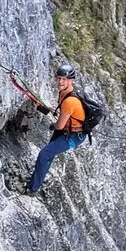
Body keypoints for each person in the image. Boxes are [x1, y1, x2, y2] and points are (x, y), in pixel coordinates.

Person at [25, 64, 87, 195]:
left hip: (74, 136)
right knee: (48, 154)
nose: (61, 82)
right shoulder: (65, 92)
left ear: (71, 81)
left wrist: (54, 126)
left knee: (45, 154)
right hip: (68, 129)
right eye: (59, 78)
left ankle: (32, 188)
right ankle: (37, 179)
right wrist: (42, 108)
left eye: (64, 79)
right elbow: (60, 114)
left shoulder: (70, 100)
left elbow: (59, 125)